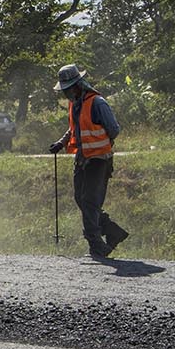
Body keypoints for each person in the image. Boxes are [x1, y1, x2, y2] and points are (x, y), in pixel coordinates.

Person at [48, 64, 126, 259]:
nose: (65, 93)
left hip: (99, 160)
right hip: (82, 160)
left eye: (67, 89)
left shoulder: (98, 103)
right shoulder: (75, 104)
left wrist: (101, 145)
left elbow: (114, 129)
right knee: (80, 199)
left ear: (77, 85)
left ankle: (96, 245)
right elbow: (74, 129)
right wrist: (61, 143)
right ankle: (112, 231)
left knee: (89, 202)